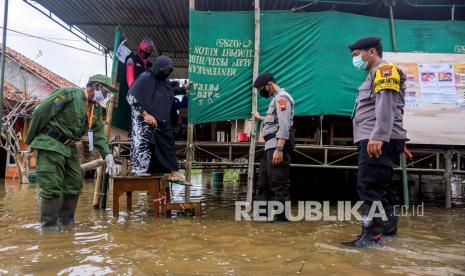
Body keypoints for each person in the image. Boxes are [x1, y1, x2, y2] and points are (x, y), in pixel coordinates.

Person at [25, 74, 117, 230]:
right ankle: (48, 228)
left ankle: (66, 224)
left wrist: (107, 154)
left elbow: (99, 134)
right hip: (50, 144)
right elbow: (41, 112)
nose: (106, 97)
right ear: (96, 87)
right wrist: (30, 141)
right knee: (52, 185)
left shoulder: (94, 110)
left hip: (69, 148)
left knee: (74, 182)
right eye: (105, 93)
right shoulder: (67, 95)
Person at [343, 37, 407, 247]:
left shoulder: (384, 70)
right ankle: (387, 231)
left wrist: (378, 136)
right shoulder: (371, 75)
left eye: (356, 55)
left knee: (369, 187)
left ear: (371, 52)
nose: (354, 60)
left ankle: (371, 237)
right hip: (375, 137)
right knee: (382, 188)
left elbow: (385, 104)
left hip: (376, 139)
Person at [126, 55, 187, 181]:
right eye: (164, 70)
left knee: (168, 142)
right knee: (144, 143)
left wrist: (183, 89)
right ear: (158, 67)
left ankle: (174, 173)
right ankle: (139, 170)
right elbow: (130, 96)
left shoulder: (164, 81)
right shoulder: (145, 78)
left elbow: (171, 90)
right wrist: (145, 114)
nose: (166, 73)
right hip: (143, 118)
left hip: (160, 120)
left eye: (168, 71)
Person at [252, 72, 295, 222]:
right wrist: (260, 118)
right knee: (263, 182)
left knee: (278, 183)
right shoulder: (276, 99)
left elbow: (284, 125)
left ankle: (281, 219)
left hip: (277, 145)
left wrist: (279, 149)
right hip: (269, 146)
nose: (262, 92)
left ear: (270, 84)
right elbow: (274, 120)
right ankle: (261, 216)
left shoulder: (282, 98)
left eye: (262, 89)